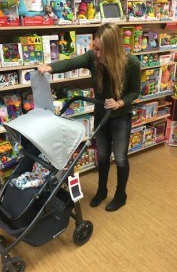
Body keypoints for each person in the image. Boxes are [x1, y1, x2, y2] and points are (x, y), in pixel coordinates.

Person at [37, 23, 141, 212]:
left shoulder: (131, 63)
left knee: (119, 158)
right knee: (102, 155)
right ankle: (101, 191)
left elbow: (135, 91)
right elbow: (71, 63)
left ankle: (121, 194)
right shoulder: (93, 58)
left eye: (101, 50)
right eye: (95, 47)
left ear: (113, 48)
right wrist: (49, 68)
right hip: (101, 114)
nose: (97, 53)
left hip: (120, 116)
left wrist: (120, 103)